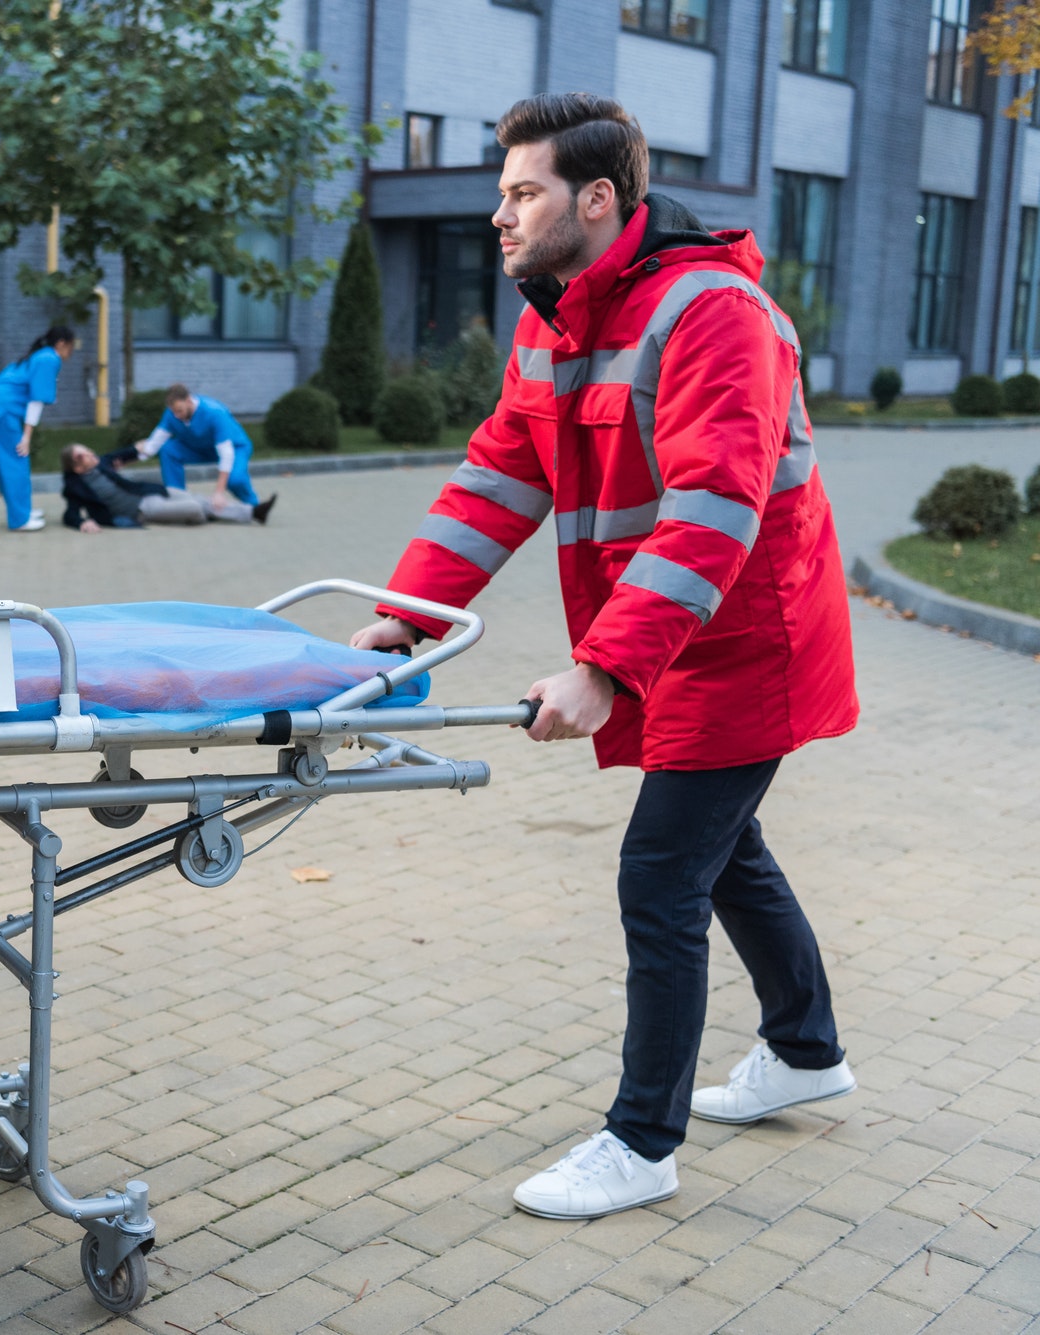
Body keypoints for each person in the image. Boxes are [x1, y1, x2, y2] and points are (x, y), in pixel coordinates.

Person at [347, 93, 858, 1220]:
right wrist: (408, 613)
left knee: (660, 874)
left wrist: (605, 670)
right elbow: (498, 474)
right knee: (724, 854)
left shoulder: (713, 312)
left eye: (520, 192)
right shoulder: (556, 317)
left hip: (744, 640)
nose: (498, 214)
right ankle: (805, 1049)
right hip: (676, 635)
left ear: (594, 198)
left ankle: (639, 1142)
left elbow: (712, 511)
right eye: (497, 193)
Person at [0, 327, 76, 532]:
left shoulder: (40, 355)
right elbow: (36, 400)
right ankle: (20, 519)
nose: (71, 351)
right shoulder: (49, 359)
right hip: (1, 410)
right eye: (71, 346)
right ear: (61, 343)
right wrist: (27, 436)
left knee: (9, 462)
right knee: (16, 460)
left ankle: (22, 511)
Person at [128, 384, 278, 521]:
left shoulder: (214, 413)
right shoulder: (171, 414)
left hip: (234, 447)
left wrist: (219, 492)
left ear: (189, 400)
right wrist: (124, 460)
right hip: (198, 448)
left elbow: (226, 454)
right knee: (168, 449)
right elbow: (153, 445)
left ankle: (254, 507)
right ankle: (179, 501)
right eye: (173, 412)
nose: (177, 416)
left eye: (179, 411)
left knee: (235, 480)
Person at [60, 442, 255, 530]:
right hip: (141, 509)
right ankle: (208, 514)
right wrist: (82, 523)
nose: (89, 454)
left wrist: (145, 446)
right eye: (81, 455)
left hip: (149, 491)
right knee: (195, 507)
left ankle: (252, 513)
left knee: (196, 498)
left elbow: (126, 453)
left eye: (86, 449)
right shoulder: (75, 486)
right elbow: (70, 514)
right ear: (76, 467)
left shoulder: (102, 462)